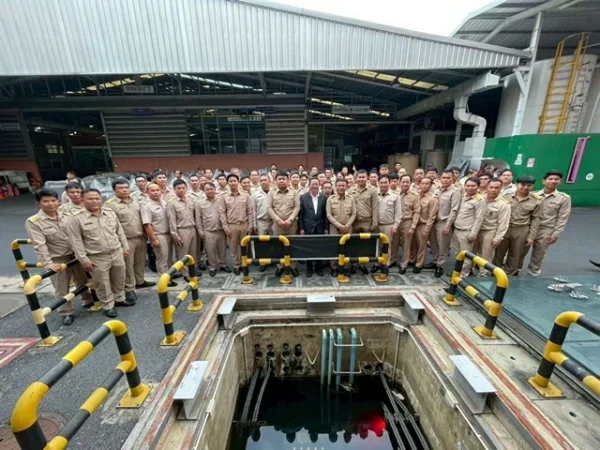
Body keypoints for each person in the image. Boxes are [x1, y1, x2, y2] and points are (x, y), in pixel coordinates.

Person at [26, 189, 94, 325]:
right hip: (58, 259)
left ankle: (88, 300)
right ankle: (65, 312)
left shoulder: (67, 216)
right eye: (46, 201)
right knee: (62, 287)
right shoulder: (34, 222)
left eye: (53, 200)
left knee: (82, 280)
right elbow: (40, 245)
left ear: (58, 201)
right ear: (38, 203)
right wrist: (48, 263)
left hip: (75, 255)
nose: (50, 204)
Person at [68, 189, 134, 318]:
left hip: (116, 252)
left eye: (97, 198)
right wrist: (84, 260)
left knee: (119, 278)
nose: (94, 201)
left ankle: (119, 298)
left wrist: (125, 246)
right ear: (83, 200)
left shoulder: (109, 213)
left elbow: (119, 231)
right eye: (90, 199)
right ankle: (108, 305)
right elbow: (76, 241)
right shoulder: (76, 218)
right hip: (97, 256)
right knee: (102, 283)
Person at [106, 179, 155, 302]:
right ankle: (129, 288)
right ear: (114, 190)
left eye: (126, 188)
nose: (124, 190)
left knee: (140, 262)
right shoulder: (110, 205)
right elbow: (111, 226)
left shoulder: (135, 200)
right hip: (126, 240)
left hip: (140, 237)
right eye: (120, 188)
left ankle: (140, 281)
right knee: (128, 266)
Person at [525, 170, 571, 276]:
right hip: (529, 227)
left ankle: (533, 274)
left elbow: (562, 218)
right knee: (519, 251)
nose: (553, 181)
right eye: (550, 179)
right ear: (544, 181)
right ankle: (515, 271)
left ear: (560, 182)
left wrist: (556, 234)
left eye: (556, 179)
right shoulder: (533, 195)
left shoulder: (564, 198)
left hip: (546, 229)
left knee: (539, 254)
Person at [493, 175, 541, 275]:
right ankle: (495, 272)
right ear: (516, 185)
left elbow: (535, 219)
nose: (525, 187)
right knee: (499, 252)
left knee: (516, 253)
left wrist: (531, 236)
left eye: (529, 185)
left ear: (532, 186)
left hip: (521, 229)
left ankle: (509, 273)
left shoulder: (536, 200)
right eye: (522, 185)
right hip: (505, 228)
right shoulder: (505, 197)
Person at [141, 183, 176, 286]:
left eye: (158, 190)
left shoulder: (163, 202)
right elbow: (147, 225)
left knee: (169, 258)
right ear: (147, 192)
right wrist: (153, 239)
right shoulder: (146, 206)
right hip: (158, 235)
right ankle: (164, 280)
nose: (156, 192)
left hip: (168, 234)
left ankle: (169, 275)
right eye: (153, 190)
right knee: (162, 259)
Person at [473, 179, 510, 277]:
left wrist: (498, 238)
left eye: (496, 188)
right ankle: (468, 271)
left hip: (489, 231)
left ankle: (484, 275)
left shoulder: (503, 204)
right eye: (491, 187)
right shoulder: (479, 199)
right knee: (471, 252)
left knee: (486, 255)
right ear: (487, 187)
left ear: (501, 189)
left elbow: (503, 223)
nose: (493, 190)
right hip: (475, 229)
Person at [427, 170, 460, 277]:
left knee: (443, 246)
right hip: (433, 222)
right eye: (444, 178)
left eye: (448, 178)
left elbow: (454, 210)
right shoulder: (437, 190)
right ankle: (435, 261)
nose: (445, 180)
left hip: (444, 222)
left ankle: (440, 265)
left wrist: (448, 226)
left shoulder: (455, 192)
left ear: (452, 179)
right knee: (433, 244)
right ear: (440, 179)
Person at [219, 174, 254, 275]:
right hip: (232, 225)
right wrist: (225, 227)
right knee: (233, 247)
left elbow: (250, 211)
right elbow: (222, 213)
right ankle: (236, 265)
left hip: (244, 224)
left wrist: (250, 225)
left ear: (238, 182)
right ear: (227, 183)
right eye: (231, 181)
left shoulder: (245, 195)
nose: (233, 183)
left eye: (235, 181)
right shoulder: (223, 197)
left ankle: (244, 264)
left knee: (245, 246)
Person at [268, 171, 301, 277]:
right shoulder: (271, 193)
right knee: (279, 246)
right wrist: (278, 220)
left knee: (292, 245)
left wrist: (290, 220)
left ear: (288, 180)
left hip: (291, 225)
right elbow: (269, 208)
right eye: (279, 179)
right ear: (276, 181)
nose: (281, 181)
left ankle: (293, 266)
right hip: (278, 226)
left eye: (283, 179)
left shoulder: (294, 192)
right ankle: (280, 266)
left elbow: (297, 207)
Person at [452, 178, 486, 277]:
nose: (470, 188)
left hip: (467, 231)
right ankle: (458, 272)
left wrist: (473, 234)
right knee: (458, 254)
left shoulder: (480, 200)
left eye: (473, 186)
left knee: (466, 255)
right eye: (468, 186)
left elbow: (479, 219)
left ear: (478, 187)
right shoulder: (463, 197)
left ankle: (463, 274)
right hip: (457, 229)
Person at [347, 170, 379, 274]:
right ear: (356, 178)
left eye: (363, 177)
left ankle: (362, 264)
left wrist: (374, 222)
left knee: (365, 244)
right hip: (354, 221)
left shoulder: (372, 191)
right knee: (354, 243)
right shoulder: (351, 190)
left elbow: (375, 207)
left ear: (367, 178)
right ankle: (354, 264)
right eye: (359, 177)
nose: (361, 179)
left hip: (367, 221)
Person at [195, 182, 229, 277]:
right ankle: (213, 267)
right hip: (208, 231)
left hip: (221, 230)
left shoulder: (221, 200)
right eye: (207, 189)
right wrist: (200, 231)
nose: (210, 191)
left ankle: (223, 264)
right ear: (204, 191)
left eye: (211, 189)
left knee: (222, 249)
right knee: (210, 251)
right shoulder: (199, 202)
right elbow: (198, 218)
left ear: (215, 190)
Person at [299, 177, 329, 277]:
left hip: (320, 227)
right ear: (309, 185)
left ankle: (318, 267)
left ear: (319, 185)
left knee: (320, 248)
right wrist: (301, 228)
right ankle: (309, 268)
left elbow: (326, 215)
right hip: (308, 227)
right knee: (308, 248)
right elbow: (301, 215)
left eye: (316, 184)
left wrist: (326, 228)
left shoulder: (324, 198)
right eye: (313, 184)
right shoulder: (303, 197)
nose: (315, 186)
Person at [168, 179, 197, 279]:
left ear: (186, 188)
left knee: (193, 253)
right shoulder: (172, 203)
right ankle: (186, 274)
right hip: (181, 230)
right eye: (178, 188)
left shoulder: (190, 200)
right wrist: (175, 235)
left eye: (183, 188)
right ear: (174, 189)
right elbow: (172, 220)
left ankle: (192, 271)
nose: (181, 190)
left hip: (192, 228)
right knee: (183, 254)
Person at [326, 179, 356, 277]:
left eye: (343, 186)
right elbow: (329, 215)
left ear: (346, 187)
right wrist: (339, 226)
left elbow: (354, 214)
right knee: (334, 247)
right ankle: (334, 267)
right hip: (334, 228)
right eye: (339, 186)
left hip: (348, 227)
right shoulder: (330, 199)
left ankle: (345, 267)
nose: (341, 188)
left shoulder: (351, 199)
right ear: (335, 187)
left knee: (347, 247)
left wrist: (346, 226)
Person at [372, 175, 401, 274]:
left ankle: (385, 265)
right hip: (377, 225)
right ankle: (376, 263)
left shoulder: (395, 196)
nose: (383, 184)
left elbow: (398, 212)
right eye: (381, 183)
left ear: (389, 183)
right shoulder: (375, 195)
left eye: (385, 182)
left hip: (389, 225)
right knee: (377, 246)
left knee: (387, 246)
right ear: (378, 183)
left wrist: (395, 226)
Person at [413, 178, 439, 273]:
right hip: (414, 224)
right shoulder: (416, 195)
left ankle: (419, 264)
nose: (424, 185)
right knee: (414, 245)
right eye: (422, 183)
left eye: (427, 184)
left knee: (421, 246)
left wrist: (426, 230)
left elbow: (432, 216)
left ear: (431, 185)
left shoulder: (432, 199)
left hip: (423, 224)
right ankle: (413, 260)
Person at [397, 175, 420, 274]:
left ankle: (404, 264)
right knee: (393, 243)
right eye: (403, 182)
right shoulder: (395, 194)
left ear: (410, 183)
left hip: (407, 221)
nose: (405, 184)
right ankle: (391, 260)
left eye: (407, 182)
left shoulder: (414, 195)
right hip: (396, 222)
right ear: (399, 182)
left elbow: (417, 212)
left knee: (406, 244)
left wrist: (413, 226)